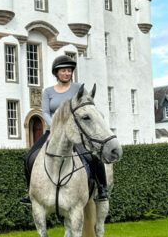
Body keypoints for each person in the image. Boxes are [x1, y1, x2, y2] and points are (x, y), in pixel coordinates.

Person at [19, 55, 109, 205]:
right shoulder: (48, 92)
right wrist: (54, 126)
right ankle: (31, 193)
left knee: (93, 157)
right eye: (64, 71)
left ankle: (102, 188)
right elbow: (45, 112)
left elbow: (88, 109)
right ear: (56, 73)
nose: (67, 73)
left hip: (75, 132)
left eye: (69, 70)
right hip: (52, 132)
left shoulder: (79, 89)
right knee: (29, 157)